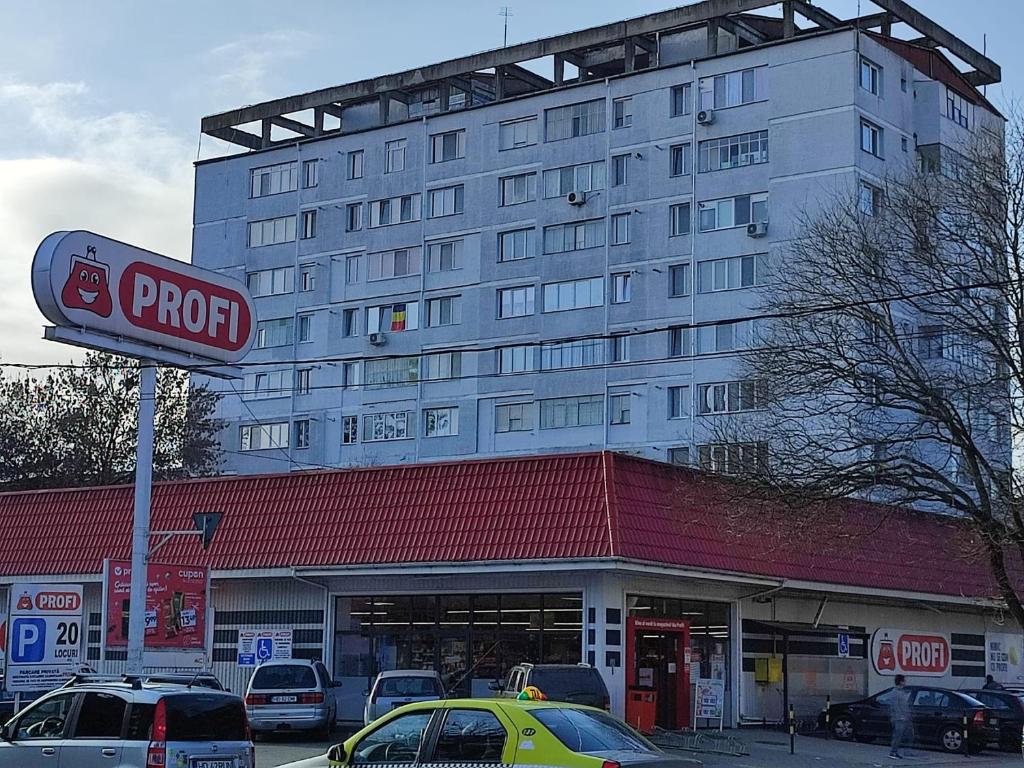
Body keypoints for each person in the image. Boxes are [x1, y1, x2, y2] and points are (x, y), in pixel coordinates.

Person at [889, 675, 912, 760]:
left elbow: (904, 705)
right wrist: (901, 716)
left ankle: (906, 751)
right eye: (904, 681)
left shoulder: (901, 692)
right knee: (897, 736)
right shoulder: (895, 692)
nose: (905, 682)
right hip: (899, 719)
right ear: (901, 681)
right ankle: (893, 752)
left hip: (904, 718)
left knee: (907, 735)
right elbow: (895, 706)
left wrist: (908, 715)